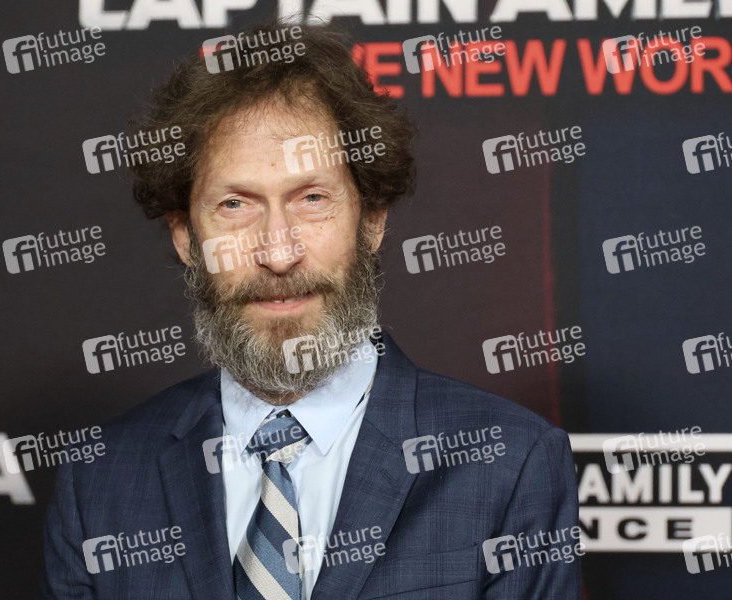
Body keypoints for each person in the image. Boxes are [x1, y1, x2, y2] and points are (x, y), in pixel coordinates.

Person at [39, 21, 581, 600]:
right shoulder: (100, 479)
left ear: (371, 220)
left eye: (313, 199)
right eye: (235, 204)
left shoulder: (510, 464)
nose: (278, 253)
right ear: (184, 236)